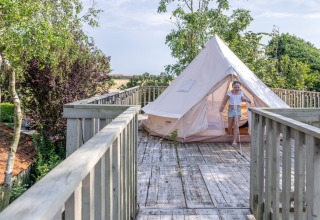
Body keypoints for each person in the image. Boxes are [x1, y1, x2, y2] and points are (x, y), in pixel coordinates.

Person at [219, 81, 251, 147]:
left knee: (236, 124)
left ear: (240, 87)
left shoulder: (241, 93)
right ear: (233, 87)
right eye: (235, 87)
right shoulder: (229, 93)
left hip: (238, 110)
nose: (237, 88)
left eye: (238, 87)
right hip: (231, 110)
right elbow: (225, 101)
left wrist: (247, 100)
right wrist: (222, 107)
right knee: (230, 125)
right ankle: (230, 135)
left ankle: (234, 141)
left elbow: (242, 99)